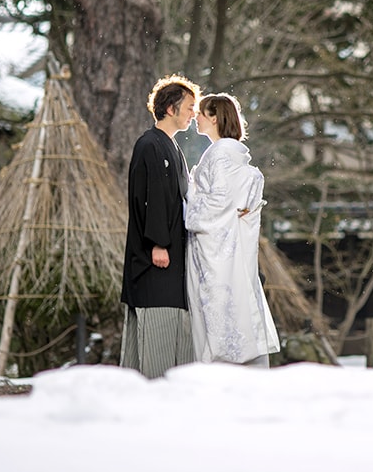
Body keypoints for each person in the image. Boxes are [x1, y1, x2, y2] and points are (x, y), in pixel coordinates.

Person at [185, 92, 280, 367]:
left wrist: (190, 199)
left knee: (217, 310)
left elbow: (219, 203)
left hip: (215, 247)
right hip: (221, 243)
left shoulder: (221, 155)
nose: (196, 118)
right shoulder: (226, 154)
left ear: (215, 118)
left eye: (202, 113)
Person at [120, 74, 200, 379]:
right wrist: (158, 243)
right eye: (190, 107)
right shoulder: (149, 144)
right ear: (170, 108)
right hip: (156, 258)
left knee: (171, 333)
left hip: (172, 256)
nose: (194, 113)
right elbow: (149, 197)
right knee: (155, 336)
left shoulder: (171, 146)